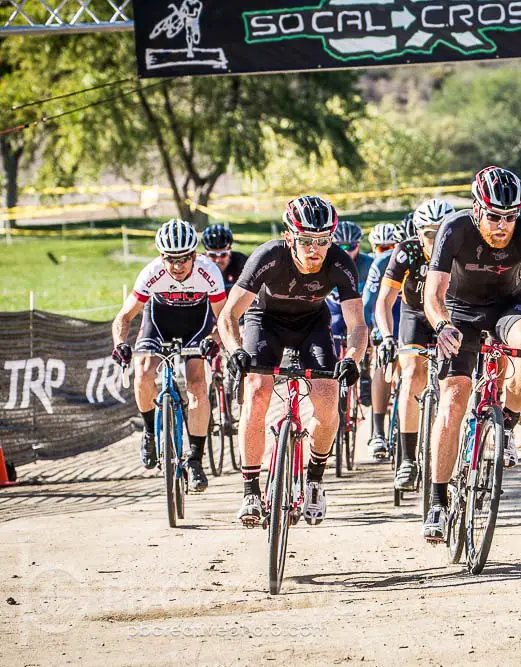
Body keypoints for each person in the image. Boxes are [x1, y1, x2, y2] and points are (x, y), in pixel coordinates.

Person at [421, 166, 521, 541]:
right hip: (460, 312)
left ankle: (508, 422)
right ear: (476, 208)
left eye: (511, 216)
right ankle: (437, 500)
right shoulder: (454, 230)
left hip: (508, 306)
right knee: (453, 399)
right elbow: (433, 295)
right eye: (494, 215)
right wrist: (442, 325)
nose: (503, 225)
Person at [218, 196, 367, 526]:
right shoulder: (269, 257)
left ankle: (314, 478)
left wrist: (353, 359)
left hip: (312, 325)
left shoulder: (340, 263)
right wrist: (234, 350)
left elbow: (357, 324)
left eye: (323, 241)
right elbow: (229, 314)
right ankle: (250, 491)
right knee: (257, 390)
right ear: (289, 237)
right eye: (305, 240)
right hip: (264, 320)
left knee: (328, 398)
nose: (314, 249)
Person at [111, 219, 226, 492]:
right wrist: (120, 343)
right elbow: (124, 316)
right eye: (170, 259)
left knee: (197, 382)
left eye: (184, 258)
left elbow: (225, 318)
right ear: (161, 257)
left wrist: (214, 340)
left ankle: (196, 459)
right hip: (158, 322)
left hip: (195, 325)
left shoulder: (209, 272)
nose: (177, 266)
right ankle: (150, 431)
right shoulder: (151, 273)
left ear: (195, 255)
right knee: (143, 372)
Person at [374, 198, 455, 491]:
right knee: (411, 374)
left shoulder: (460, 247)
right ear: (418, 232)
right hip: (416, 316)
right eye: (429, 233)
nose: (436, 239)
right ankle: (408, 459)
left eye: (442, 231)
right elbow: (384, 300)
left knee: (456, 382)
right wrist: (386, 336)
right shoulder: (407, 251)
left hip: (451, 316)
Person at [363, 222, 402, 460]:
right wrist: (373, 330)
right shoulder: (381, 262)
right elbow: (369, 303)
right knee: (383, 362)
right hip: (388, 315)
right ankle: (378, 431)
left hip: (415, 317)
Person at [326, 220, 375, 407]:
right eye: (341, 246)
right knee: (331, 331)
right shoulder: (328, 262)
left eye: (351, 246)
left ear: (359, 244)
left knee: (366, 326)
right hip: (335, 308)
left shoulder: (368, 264)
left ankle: (364, 371)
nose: (346, 251)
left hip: (358, 307)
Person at [201, 224, 248, 293]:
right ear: (205, 253)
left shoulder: (242, 264)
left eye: (223, 254)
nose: (218, 260)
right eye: (212, 255)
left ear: (230, 252)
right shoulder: (197, 266)